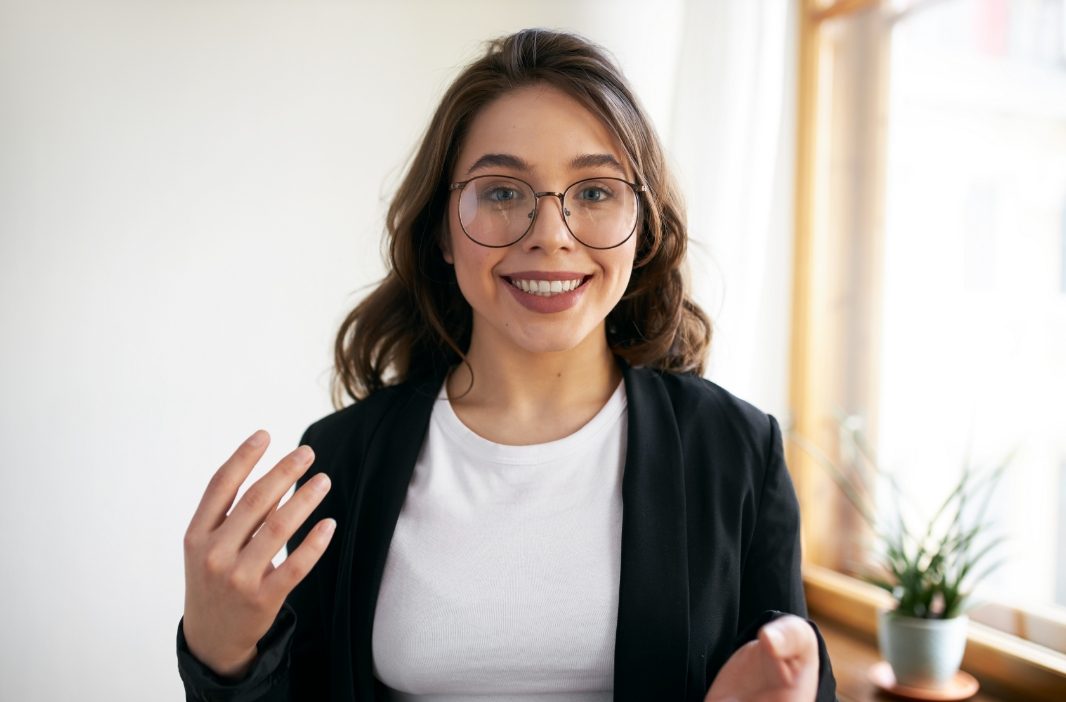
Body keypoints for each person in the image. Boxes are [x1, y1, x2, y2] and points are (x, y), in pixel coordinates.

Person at [177, 28, 837, 702]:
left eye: (595, 191)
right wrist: (221, 657)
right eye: (501, 193)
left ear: (643, 225)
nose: (550, 234)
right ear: (441, 226)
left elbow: (794, 676)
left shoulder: (737, 452)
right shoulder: (342, 460)